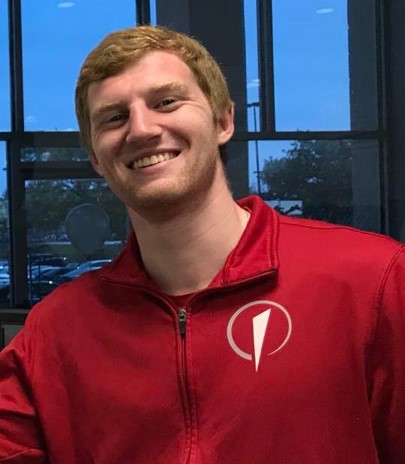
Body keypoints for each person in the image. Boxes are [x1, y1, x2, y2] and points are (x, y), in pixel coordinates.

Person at [0, 25, 404, 464]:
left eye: (166, 102)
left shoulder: (371, 283)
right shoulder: (55, 332)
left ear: (223, 121)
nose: (141, 129)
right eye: (114, 117)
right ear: (96, 158)